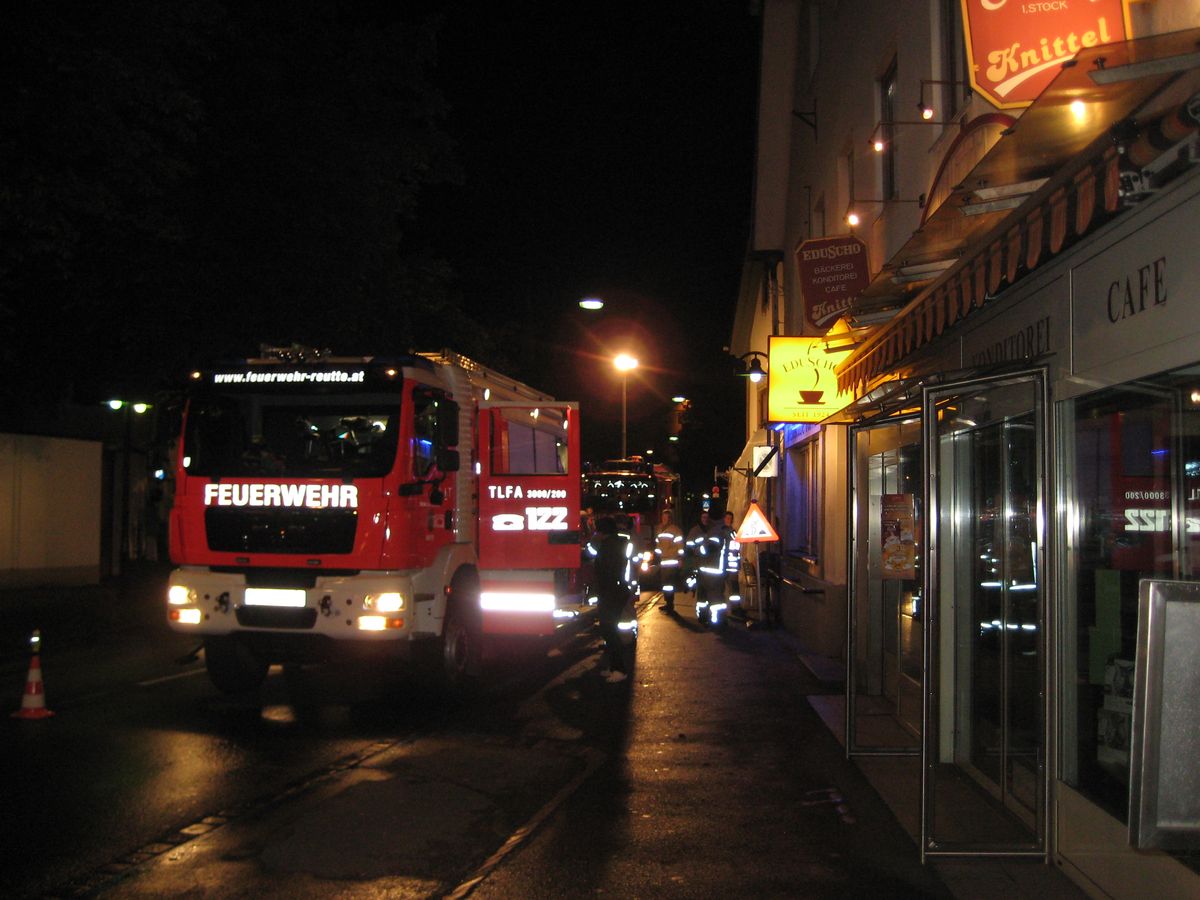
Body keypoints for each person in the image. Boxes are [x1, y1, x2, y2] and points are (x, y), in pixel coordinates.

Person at [588, 516, 633, 682]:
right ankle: (613, 667)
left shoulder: (607, 548)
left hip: (611, 592)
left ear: (602, 532)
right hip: (617, 591)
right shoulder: (618, 543)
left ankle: (619, 670)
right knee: (609, 629)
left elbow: (605, 572)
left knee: (609, 630)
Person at [688, 509, 726, 623]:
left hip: (713, 571)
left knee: (715, 598)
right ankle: (703, 617)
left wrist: (697, 550)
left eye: (708, 517)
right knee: (703, 596)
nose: (706, 519)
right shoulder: (708, 530)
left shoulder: (715, 531)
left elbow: (709, 548)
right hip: (704, 570)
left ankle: (717, 621)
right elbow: (690, 546)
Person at [654, 509, 685, 611]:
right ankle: (668, 603)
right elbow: (658, 545)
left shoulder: (675, 530)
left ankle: (670, 604)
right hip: (663, 561)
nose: (664, 519)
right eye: (663, 517)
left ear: (670, 519)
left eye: (666, 517)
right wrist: (656, 558)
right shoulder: (659, 529)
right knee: (665, 584)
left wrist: (680, 558)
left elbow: (680, 546)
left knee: (669, 584)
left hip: (672, 561)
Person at [720, 510, 744, 618]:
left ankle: (735, 608)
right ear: (724, 519)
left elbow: (738, 548)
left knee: (734, 588)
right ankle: (726, 609)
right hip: (722, 565)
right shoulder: (721, 532)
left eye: (730, 519)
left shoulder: (733, 533)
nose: (728, 520)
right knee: (723, 588)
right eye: (727, 518)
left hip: (731, 566)